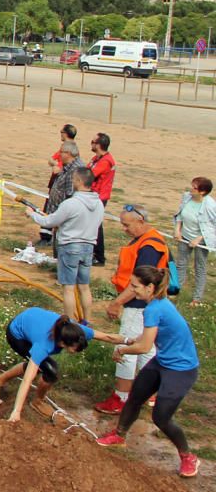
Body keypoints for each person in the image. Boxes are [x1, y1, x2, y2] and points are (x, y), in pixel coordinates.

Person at [96, 267, 201, 478]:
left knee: (161, 417)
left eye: (135, 286)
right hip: (163, 361)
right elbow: (149, 337)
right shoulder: (157, 304)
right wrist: (128, 340)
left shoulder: (155, 308)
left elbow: (144, 347)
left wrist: (123, 349)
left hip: (181, 369)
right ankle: (119, 436)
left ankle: (188, 457)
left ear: (150, 287)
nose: (132, 290)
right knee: (134, 398)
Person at [94, 204, 170, 415]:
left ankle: (121, 397)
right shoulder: (148, 239)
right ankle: (150, 393)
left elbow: (139, 281)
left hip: (138, 305)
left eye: (127, 225)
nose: (124, 229)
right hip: (147, 304)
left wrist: (117, 302)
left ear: (141, 221)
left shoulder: (148, 247)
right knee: (148, 348)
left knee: (127, 346)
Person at [0, 307, 119, 421]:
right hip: (17, 334)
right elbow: (27, 380)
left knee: (39, 366)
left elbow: (107, 337)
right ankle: (37, 402)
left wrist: (130, 342)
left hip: (31, 321)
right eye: (75, 349)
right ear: (62, 343)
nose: (77, 352)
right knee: (50, 371)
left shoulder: (74, 331)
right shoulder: (44, 344)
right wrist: (17, 412)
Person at [26, 168, 103, 323]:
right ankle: (88, 320)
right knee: (84, 286)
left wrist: (31, 214)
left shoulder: (71, 204)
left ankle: (70, 322)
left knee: (68, 288)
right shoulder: (99, 204)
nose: (72, 182)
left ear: (80, 182)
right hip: (88, 247)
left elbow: (49, 221)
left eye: (74, 179)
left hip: (70, 247)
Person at [174, 176, 216, 307]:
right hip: (185, 236)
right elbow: (180, 214)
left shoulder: (210, 205)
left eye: (194, 187)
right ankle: (176, 291)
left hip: (201, 241)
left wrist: (199, 238)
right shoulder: (187, 197)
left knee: (199, 267)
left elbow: (213, 226)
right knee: (180, 264)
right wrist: (177, 230)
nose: (191, 189)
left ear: (202, 192)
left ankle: (196, 299)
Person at [39, 124, 77, 245]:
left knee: (54, 209)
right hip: (55, 184)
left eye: (61, 132)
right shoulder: (64, 148)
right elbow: (51, 160)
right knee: (49, 207)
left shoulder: (70, 149)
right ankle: (47, 235)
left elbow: (55, 165)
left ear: (65, 133)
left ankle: (48, 237)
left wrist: (57, 165)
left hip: (61, 186)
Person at [87, 133, 115, 266]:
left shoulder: (105, 161)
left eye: (92, 141)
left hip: (99, 196)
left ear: (98, 145)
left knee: (96, 225)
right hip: (93, 194)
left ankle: (99, 256)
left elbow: (89, 174)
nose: (90, 143)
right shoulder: (96, 158)